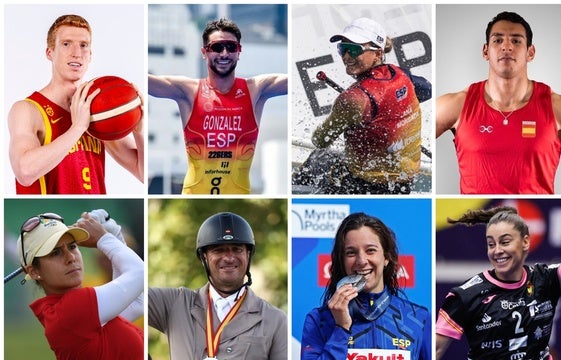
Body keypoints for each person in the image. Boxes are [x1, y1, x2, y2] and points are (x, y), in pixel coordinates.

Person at [148, 17, 288, 195]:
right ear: (204, 52)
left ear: (239, 51)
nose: (224, 54)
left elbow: (296, 79)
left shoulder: (256, 90)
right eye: (216, 47)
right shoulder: (188, 91)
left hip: (238, 200)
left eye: (230, 47)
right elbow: (144, 82)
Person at [148, 212, 288, 360]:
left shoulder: (275, 319)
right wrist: (113, 242)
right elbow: (128, 291)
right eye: (219, 250)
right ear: (204, 257)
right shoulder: (175, 303)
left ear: (248, 255)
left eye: (237, 249)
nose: (229, 258)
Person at [8, 14, 144, 194]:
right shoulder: (28, 109)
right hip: (50, 217)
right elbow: (24, 172)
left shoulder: (98, 110)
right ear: (50, 52)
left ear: (90, 55)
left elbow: (141, 172)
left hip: (92, 213)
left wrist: (139, 131)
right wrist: (78, 127)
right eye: (66, 44)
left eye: (83, 45)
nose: (76, 52)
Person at [294, 17, 431, 195]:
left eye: (354, 49)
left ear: (378, 53)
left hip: (363, 187)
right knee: (324, 158)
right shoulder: (400, 74)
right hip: (404, 183)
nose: (346, 57)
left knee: (318, 157)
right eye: (342, 49)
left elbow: (320, 140)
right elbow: (427, 90)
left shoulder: (354, 98)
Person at [15, 210, 144, 360]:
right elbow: (140, 274)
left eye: (72, 246)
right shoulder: (70, 311)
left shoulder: (75, 310)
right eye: (55, 253)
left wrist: (114, 234)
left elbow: (137, 302)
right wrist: (104, 238)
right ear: (34, 272)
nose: (70, 258)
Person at [300, 212, 431, 360]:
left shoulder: (418, 318)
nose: (361, 261)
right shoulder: (319, 320)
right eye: (351, 253)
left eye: (370, 250)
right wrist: (340, 328)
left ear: (386, 257)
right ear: (341, 261)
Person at [436, 11, 561, 194]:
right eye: (498, 40)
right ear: (486, 51)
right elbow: (409, 132)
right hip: (475, 221)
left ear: (530, 52)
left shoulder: (555, 107)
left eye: (516, 41)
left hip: (533, 219)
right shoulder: (456, 105)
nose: (507, 47)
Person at [436, 206, 560, 360]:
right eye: (491, 244)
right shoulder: (466, 295)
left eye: (505, 242)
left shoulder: (548, 278)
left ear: (525, 242)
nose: (497, 251)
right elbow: (435, 350)